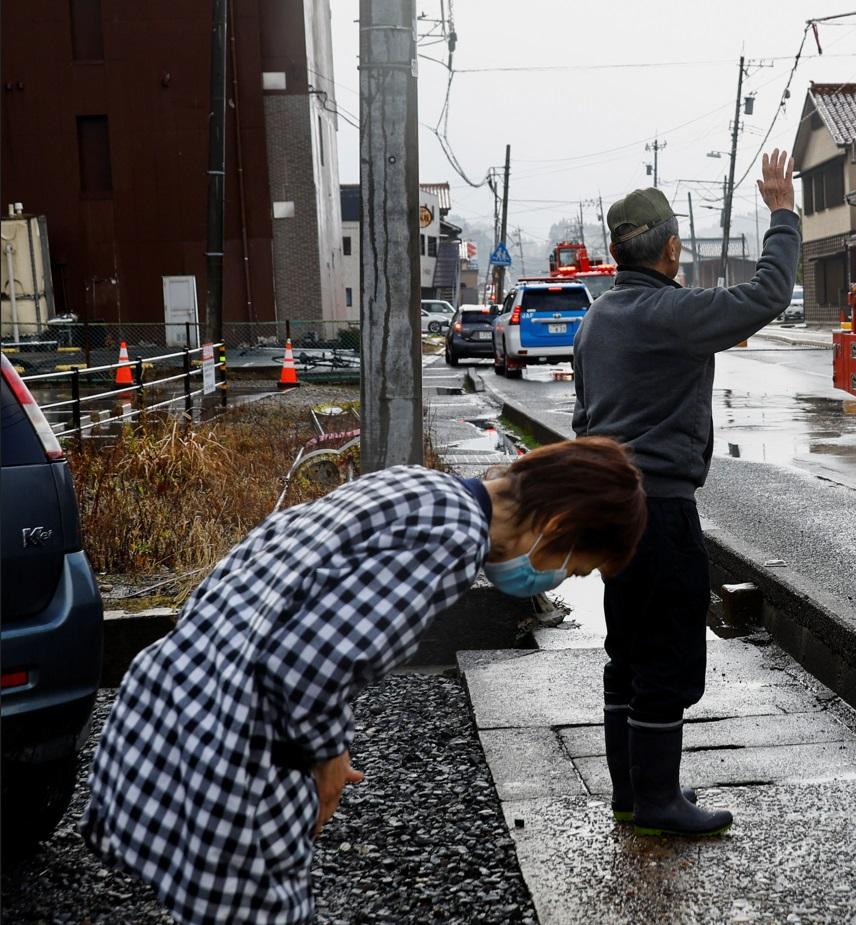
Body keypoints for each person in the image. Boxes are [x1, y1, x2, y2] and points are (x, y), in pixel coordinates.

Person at [82, 439, 647, 924]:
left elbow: (252, 569)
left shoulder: (416, 486)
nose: (558, 579)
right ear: (556, 527)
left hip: (169, 702)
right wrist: (327, 757)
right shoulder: (453, 539)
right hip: (235, 744)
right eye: (575, 567)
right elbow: (309, 663)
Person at [571, 149, 799, 838]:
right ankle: (658, 802)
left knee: (627, 653)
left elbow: (583, 419)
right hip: (661, 512)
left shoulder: (597, 319)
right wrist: (782, 212)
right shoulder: (670, 313)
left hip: (613, 512)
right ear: (671, 248)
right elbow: (767, 294)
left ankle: (632, 792)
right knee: (666, 658)